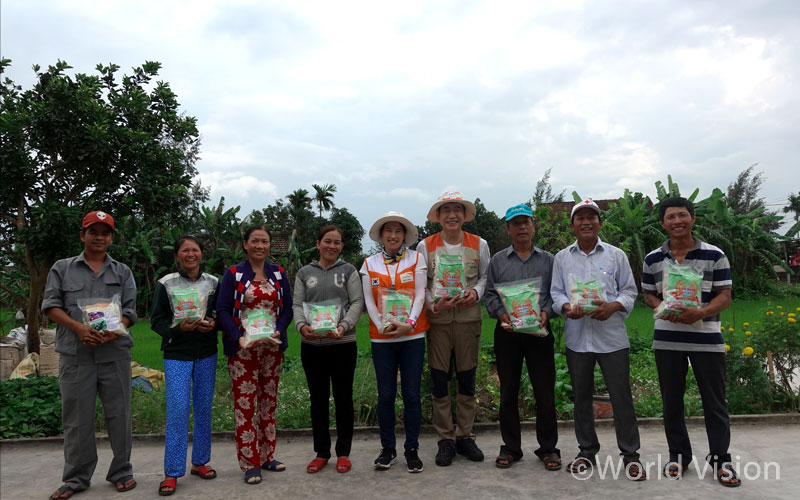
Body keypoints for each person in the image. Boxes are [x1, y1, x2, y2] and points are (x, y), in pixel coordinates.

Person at [642, 197, 741, 487]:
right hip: (667, 339)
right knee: (671, 401)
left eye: (682, 215)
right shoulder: (653, 259)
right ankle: (679, 456)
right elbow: (648, 294)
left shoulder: (715, 255)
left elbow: (725, 295)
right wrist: (664, 310)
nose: (677, 221)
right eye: (670, 217)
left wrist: (700, 313)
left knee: (715, 403)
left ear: (692, 218)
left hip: (706, 339)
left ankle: (721, 460)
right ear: (662, 223)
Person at [42, 211, 138, 499]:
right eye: (93, 231)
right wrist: (78, 328)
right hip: (75, 356)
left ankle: (121, 471)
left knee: (119, 416)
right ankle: (76, 478)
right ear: (82, 235)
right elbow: (50, 306)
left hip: (115, 354)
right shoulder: (62, 268)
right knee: (76, 420)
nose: (99, 237)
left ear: (111, 237)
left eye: (105, 232)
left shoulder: (122, 272)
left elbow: (131, 311)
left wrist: (116, 330)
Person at [550, 199, 644, 480]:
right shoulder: (562, 258)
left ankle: (630, 455)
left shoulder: (616, 256)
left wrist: (612, 306)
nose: (586, 222)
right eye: (580, 218)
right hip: (577, 339)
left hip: (612, 339)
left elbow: (629, 291)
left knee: (621, 397)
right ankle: (586, 452)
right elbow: (556, 293)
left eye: (592, 217)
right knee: (581, 398)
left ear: (600, 223)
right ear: (573, 226)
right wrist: (567, 307)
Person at [416, 191, 490, 466]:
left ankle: (465, 436)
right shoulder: (426, 246)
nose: (452, 215)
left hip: (469, 318)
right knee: (439, 378)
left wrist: (476, 294)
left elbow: (484, 277)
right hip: (438, 321)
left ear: (464, 215)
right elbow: (421, 286)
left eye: (457, 209)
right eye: (446, 210)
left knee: (467, 376)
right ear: (438, 216)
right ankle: (445, 439)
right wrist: (433, 306)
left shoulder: (478, 243)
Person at [484, 204, 561, 470]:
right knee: (508, 392)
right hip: (508, 333)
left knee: (545, 392)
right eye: (516, 224)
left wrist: (546, 312)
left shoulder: (549, 260)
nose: (522, 228)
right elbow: (490, 294)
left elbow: (555, 293)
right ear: (508, 229)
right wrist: (500, 314)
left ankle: (549, 449)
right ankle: (511, 448)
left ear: (533, 226)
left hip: (539, 333)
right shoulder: (497, 260)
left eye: (526, 222)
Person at [216, 225, 293, 485]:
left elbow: (288, 309)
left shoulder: (278, 274)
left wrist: (279, 331)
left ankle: (267, 455)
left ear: (270, 245)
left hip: (271, 350)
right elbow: (223, 309)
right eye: (255, 241)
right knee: (245, 406)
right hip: (243, 352)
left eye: (265, 242)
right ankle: (250, 463)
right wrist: (238, 337)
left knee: (269, 404)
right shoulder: (235, 274)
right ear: (245, 244)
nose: (260, 246)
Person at [360, 211, 430, 472]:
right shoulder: (369, 264)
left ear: (404, 236)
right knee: (386, 395)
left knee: (412, 394)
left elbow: (421, 295)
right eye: (388, 231)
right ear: (381, 236)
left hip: (412, 335)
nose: (393, 235)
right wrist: (382, 326)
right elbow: (369, 300)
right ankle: (387, 449)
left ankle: (412, 448)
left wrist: (408, 324)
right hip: (382, 339)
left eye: (398, 231)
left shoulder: (417, 258)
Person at [150, 235, 220, 495]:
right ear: (177, 255)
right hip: (177, 353)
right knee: (178, 410)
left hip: (206, 352)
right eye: (185, 250)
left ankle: (200, 462)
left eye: (195, 250)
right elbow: (156, 321)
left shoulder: (213, 283)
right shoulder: (166, 284)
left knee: (203, 408)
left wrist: (215, 325)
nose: (191, 254)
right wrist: (177, 329)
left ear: (202, 254)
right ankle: (172, 471)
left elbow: (220, 314)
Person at [293, 225, 365, 474]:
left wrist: (344, 326)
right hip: (312, 345)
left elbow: (357, 302)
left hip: (343, 344)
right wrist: (302, 326)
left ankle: (343, 452)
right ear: (318, 243)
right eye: (327, 241)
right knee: (318, 400)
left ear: (342, 246)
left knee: (344, 399)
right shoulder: (304, 272)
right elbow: (297, 304)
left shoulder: (348, 271)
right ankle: (321, 452)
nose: (331, 246)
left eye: (336, 242)